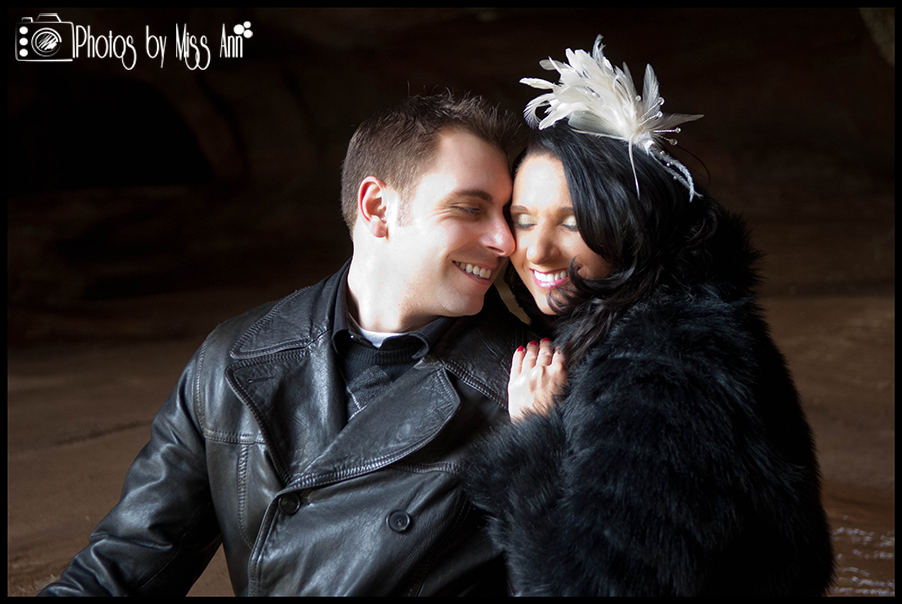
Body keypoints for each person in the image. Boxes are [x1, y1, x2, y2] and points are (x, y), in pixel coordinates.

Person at [39, 91, 534, 596]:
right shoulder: (233, 359)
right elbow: (124, 564)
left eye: (506, 214)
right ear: (378, 208)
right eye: (470, 208)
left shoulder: (529, 385)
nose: (505, 240)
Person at [464, 37, 836, 596]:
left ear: (628, 225)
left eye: (572, 222)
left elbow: (580, 589)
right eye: (523, 219)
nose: (536, 251)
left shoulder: (666, 369)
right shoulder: (665, 318)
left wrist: (535, 436)